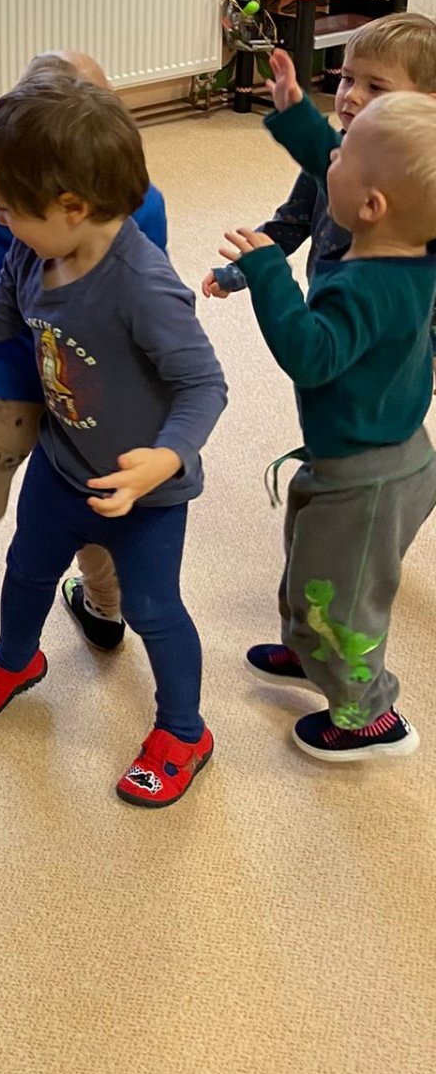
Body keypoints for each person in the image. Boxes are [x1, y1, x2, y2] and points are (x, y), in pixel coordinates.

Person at [0, 73, 227, 808]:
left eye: (10, 208)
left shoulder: (145, 286)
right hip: (63, 460)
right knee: (27, 568)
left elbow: (205, 384)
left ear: (72, 206)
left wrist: (166, 458)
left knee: (154, 609)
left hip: (145, 493)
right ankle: (16, 660)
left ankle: (184, 730)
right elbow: (1, 315)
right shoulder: (31, 251)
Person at [0, 50, 169, 650]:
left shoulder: (113, 201)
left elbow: (155, 314)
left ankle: (85, 609)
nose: (4, 216)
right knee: (63, 505)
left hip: (57, 390)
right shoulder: (26, 188)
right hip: (48, 384)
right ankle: (76, 612)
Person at [220, 47, 436, 761]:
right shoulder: (409, 244)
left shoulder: (364, 287)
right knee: (311, 561)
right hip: (367, 450)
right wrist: (295, 115)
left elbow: (310, 354)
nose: (328, 161)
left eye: (339, 162)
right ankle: (307, 648)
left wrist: (267, 272)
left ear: (371, 206)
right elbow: (340, 164)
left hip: (367, 475)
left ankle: (368, 718)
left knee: (342, 598)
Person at [205, 13, 436, 367]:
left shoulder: (422, 180)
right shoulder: (345, 156)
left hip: (391, 338)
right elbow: (292, 221)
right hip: (331, 308)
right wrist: (242, 270)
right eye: (347, 78)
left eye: (376, 87)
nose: (351, 96)